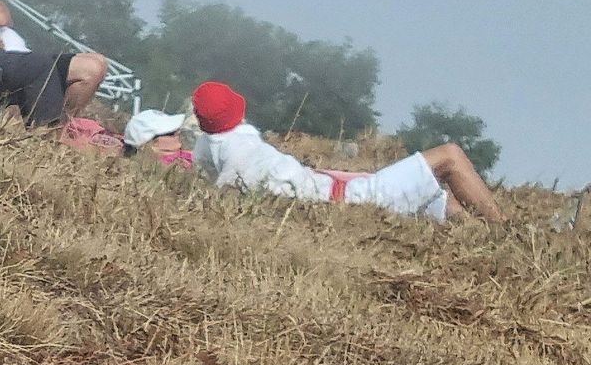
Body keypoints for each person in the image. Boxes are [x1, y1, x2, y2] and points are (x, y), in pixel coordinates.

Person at [186, 81, 504, 223]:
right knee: (448, 156)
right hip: (352, 199)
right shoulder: (245, 152)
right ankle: (505, 231)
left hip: (340, 191)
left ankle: (479, 236)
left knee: (436, 196)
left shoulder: (210, 149)